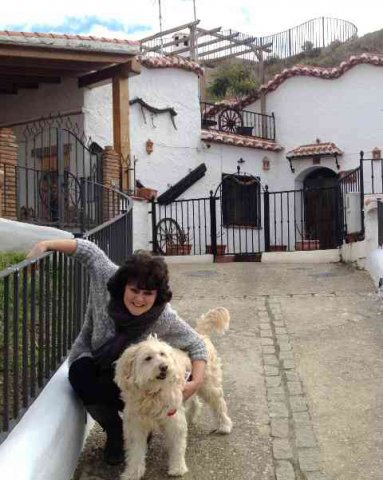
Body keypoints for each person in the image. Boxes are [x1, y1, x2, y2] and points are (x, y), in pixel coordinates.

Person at [27, 238, 208, 465]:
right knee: (81, 377)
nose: (140, 299)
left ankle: (142, 426)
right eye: (134, 290)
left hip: (133, 374)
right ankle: (114, 432)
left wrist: (196, 382)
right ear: (124, 285)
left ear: (157, 295)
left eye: (148, 294)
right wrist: (44, 245)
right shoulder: (106, 276)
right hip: (95, 357)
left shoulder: (163, 317)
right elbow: (88, 250)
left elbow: (197, 345)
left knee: (138, 389)